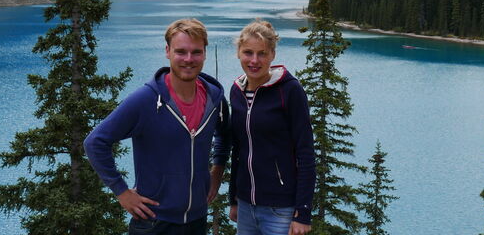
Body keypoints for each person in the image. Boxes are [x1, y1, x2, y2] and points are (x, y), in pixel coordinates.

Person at [85, 18, 229, 235]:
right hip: (154, 222)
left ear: (205, 53)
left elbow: (224, 136)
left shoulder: (214, 98)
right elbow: (95, 142)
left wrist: (217, 171)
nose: (189, 59)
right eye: (181, 51)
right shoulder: (147, 100)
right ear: (167, 51)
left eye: (196, 52)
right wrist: (122, 192)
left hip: (197, 220)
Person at [226, 20, 315, 235]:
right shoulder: (236, 91)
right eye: (248, 52)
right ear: (239, 52)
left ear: (272, 55)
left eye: (262, 54)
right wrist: (234, 198)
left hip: (280, 209)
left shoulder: (289, 91)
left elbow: (306, 153)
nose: (254, 60)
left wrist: (302, 213)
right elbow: (238, 149)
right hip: (246, 206)